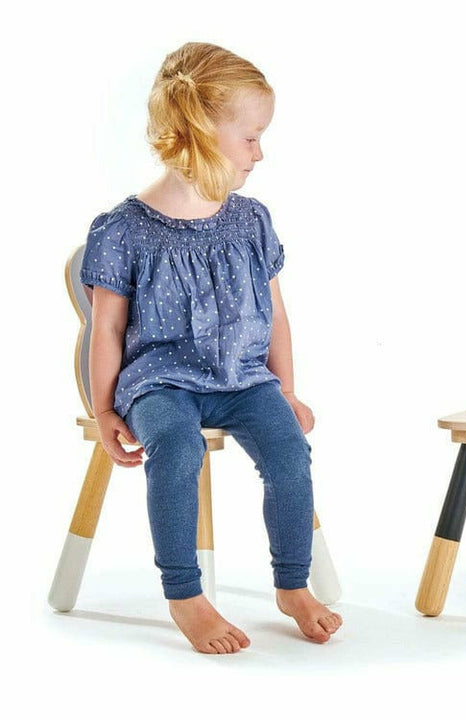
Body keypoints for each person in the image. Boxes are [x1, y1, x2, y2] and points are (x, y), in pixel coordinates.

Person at [80, 41, 342, 654]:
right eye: (250, 137)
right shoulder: (124, 229)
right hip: (161, 382)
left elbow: (276, 314)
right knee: (177, 448)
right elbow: (106, 329)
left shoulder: (250, 221)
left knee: (289, 453)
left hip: (244, 379)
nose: (259, 152)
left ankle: (292, 584)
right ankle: (184, 595)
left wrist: (286, 388)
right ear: (201, 134)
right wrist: (104, 407)